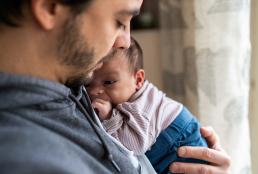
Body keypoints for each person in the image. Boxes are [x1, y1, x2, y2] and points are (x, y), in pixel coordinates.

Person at [0, 0, 231, 174]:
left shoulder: (71, 82)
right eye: (119, 21)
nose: (126, 42)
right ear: (51, 6)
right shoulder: (26, 157)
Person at [86, 37, 210, 173]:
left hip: (177, 141)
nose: (94, 91)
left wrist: (110, 118)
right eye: (88, 83)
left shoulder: (139, 107)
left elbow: (134, 146)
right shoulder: (132, 96)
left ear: (138, 79)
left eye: (109, 82)